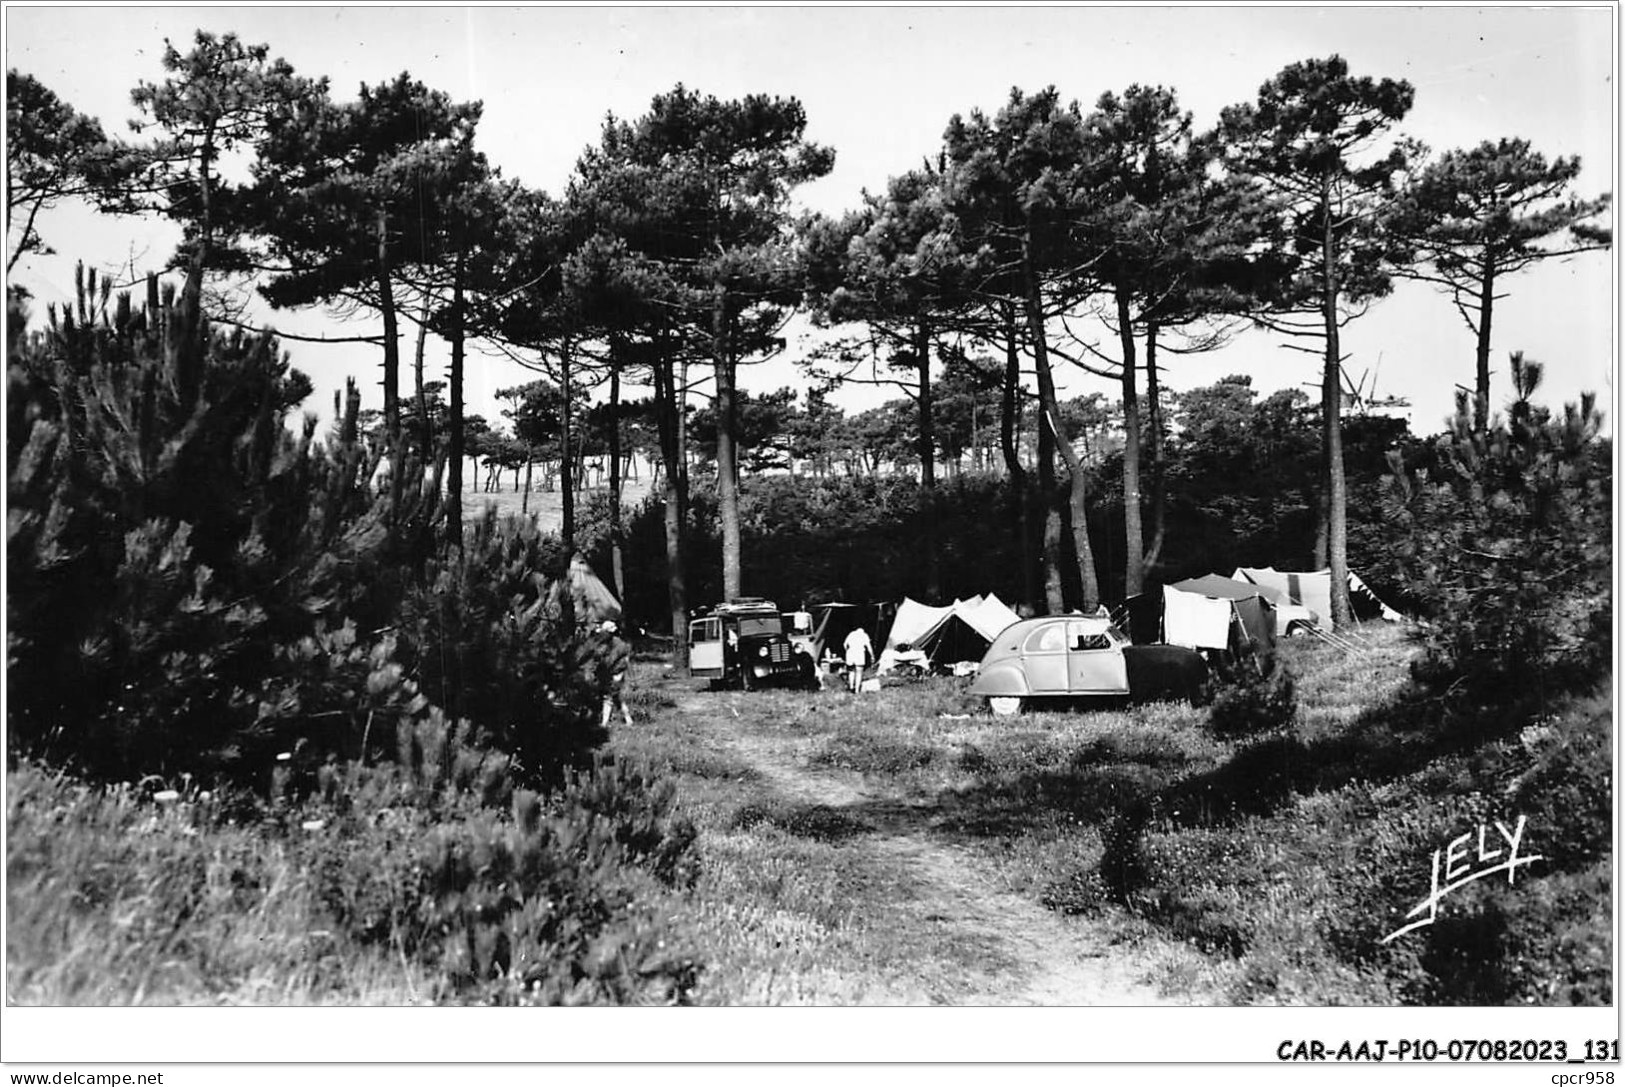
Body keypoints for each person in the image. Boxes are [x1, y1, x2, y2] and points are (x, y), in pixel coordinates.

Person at [598, 619, 634, 729]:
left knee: (609, 697)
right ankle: (628, 720)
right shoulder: (613, 643)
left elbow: (610, 661)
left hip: (616, 673)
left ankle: (605, 723)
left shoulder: (617, 644)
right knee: (616, 698)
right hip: (614, 672)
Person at [842, 625, 874, 694]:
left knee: (851, 672)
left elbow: (845, 644)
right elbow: (869, 647)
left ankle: (851, 687)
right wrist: (872, 656)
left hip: (850, 654)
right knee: (859, 672)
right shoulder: (864, 635)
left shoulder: (851, 634)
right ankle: (857, 690)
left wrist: (847, 651)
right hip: (859, 654)